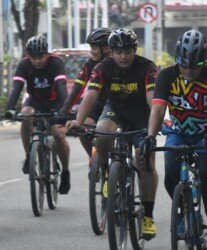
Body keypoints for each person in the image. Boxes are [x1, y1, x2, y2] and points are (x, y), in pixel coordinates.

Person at [66, 28, 159, 240]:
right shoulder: (102, 67)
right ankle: (109, 174)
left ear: (135, 50)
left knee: (145, 161)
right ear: (112, 51)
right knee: (102, 132)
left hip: (140, 114)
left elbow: (153, 99)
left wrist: (155, 125)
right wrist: (78, 121)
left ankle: (148, 216)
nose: (123, 57)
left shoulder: (147, 67)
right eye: (118, 52)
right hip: (115, 110)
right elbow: (91, 95)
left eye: (128, 51)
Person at [142, 30, 207, 248]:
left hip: (205, 132)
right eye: (184, 66)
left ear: (204, 61)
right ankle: (182, 212)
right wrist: (151, 137)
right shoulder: (167, 75)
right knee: (170, 171)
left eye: (195, 67)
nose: (188, 71)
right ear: (177, 59)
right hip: (178, 131)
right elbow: (158, 109)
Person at [5, 35, 71, 194]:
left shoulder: (56, 63)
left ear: (46, 54)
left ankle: (66, 172)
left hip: (55, 100)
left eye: (40, 56)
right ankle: (29, 155)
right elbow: (17, 88)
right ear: (28, 56)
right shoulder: (24, 64)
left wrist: (66, 111)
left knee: (58, 134)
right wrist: (9, 108)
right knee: (25, 115)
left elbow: (61, 87)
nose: (37, 61)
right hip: (34, 99)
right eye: (33, 57)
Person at [60, 27, 112, 160]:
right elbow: (77, 89)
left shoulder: (119, 63)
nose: (91, 52)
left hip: (118, 105)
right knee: (83, 128)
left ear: (106, 48)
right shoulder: (90, 64)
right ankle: (95, 160)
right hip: (98, 104)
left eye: (94, 48)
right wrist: (64, 111)